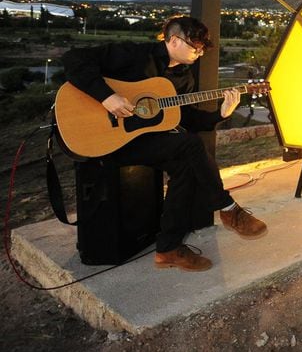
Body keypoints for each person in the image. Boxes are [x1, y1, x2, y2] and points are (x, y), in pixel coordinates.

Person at [62, 16, 267, 272]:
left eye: (203, 47)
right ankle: (227, 208)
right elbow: (73, 59)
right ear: (173, 40)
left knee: (187, 164)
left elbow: (187, 119)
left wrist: (222, 113)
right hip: (103, 140)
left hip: (138, 141)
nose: (200, 52)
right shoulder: (135, 55)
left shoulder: (184, 78)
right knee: (190, 147)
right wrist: (107, 97)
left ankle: (168, 247)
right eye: (195, 46)